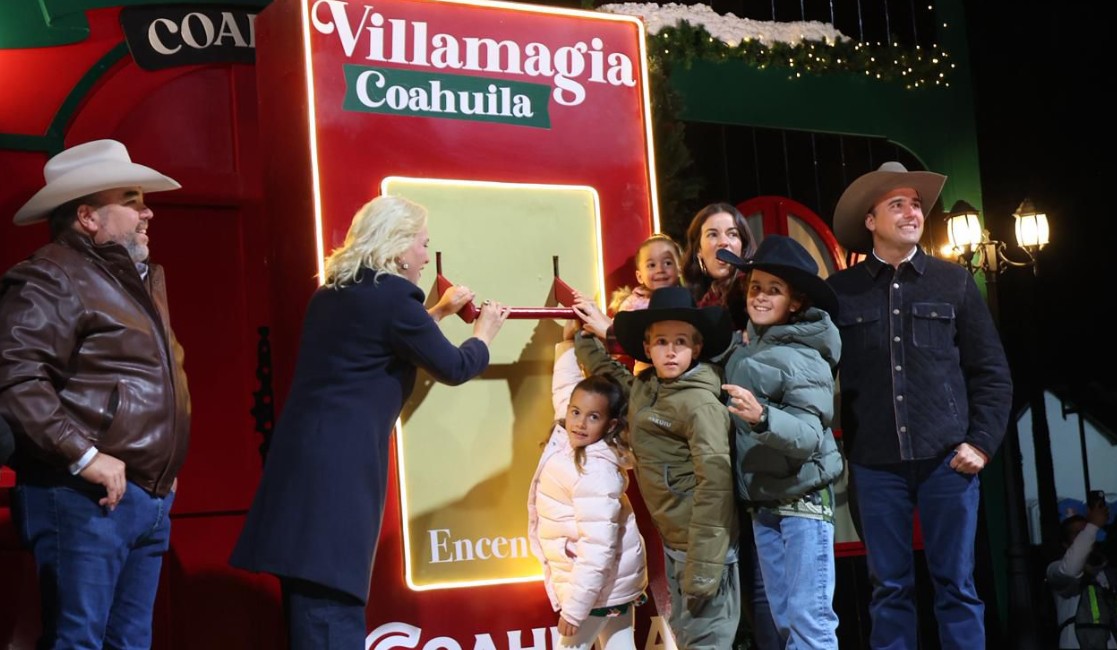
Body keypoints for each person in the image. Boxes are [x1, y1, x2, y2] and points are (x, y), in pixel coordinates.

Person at [229, 195, 510, 649]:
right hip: (337, 479)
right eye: (422, 244)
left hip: (304, 475)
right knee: (331, 611)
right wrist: (485, 333)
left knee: (312, 604)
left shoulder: (334, 292)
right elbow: (454, 366)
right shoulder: (395, 298)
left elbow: (384, 338)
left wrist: (437, 312)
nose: (425, 256)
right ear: (398, 247)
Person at [0, 138, 191, 648]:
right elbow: (16, 378)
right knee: (78, 641)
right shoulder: (52, 275)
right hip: (81, 497)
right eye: (130, 201)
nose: (147, 213)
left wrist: (162, 470)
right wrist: (85, 457)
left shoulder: (134, 279)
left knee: (128, 643)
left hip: (143, 497)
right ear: (86, 216)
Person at [827, 161, 1012, 649]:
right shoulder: (841, 292)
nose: (912, 212)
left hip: (946, 461)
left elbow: (991, 372)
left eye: (915, 204)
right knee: (889, 589)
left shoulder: (953, 282)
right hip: (874, 464)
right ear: (871, 220)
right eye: (898, 204)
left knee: (957, 585)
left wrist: (982, 443)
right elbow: (813, 365)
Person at [571, 286, 738, 650]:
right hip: (675, 541)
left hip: (703, 547)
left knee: (707, 641)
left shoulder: (700, 404)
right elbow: (611, 374)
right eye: (661, 341)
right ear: (647, 348)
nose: (671, 350)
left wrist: (705, 565)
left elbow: (716, 486)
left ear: (696, 348)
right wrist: (582, 339)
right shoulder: (648, 388)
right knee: (687, 636)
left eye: (681, 341)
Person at [717, 236, 843, 649]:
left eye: (774, 290)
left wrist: (764, 417)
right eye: (755, 287)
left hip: (802, 503)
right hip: (765, 502)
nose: (761, 296)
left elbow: (808, 436)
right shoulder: (746, 347)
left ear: (795, 301)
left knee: (810, 621)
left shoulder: (806, 356)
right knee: (786, 620)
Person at [527, 333, 648, 650]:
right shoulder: (566, 436)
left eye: (593, 417)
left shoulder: (596, 471)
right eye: (575, 412)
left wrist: (575, 610)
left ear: (611, 425)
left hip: (597, 588)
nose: (579, 423)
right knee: (620, 645)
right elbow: (565, 390)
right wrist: (568, 344)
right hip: (611, 583)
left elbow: (598, 547)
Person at [1047, 499, 1117, 649]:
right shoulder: (1056, 570)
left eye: (1085, 533)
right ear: (1065, 544)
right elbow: (1071, 569)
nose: (1085, 537)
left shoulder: (1106, 573)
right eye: (1078, 534)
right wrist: (1092, 526)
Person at [680, 202, 759, 331]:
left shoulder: (757, 294)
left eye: (732, 234)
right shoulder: (686, 300)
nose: (723, 242)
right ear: (698, 249)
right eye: (713, 234)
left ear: (743, 247)